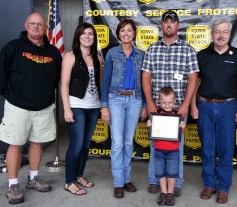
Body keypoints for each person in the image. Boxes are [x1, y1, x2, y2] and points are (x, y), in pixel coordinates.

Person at [0, 13, 62, 204]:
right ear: (26, 25)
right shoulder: (12, 47)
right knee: (16, 145)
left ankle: (33, 178)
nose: (36, 27)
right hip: (17, 107)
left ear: (45, 28)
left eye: (40, 24)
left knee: (37, 143)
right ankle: (12, 184)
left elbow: (56, 79)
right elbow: (1, 76)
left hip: (43, 107)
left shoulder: (53, 52)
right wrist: (13, 96)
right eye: (32, 23)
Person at [190, 18, 237, 204]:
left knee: (226, 149)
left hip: (228, 108)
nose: (221, 35)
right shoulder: (202, 55)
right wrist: (192, 106)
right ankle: (209, 184)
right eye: (217, 31)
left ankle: (223, 187)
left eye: (225, 32)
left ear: (230, 35)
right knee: (207, 148)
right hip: (204, 106)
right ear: (212, 33)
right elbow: (193, 83)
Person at [142, 10, 199, 197]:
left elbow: (193, 79)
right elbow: (146, 76)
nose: (169, 25)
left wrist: (185, 105)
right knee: (155, 145)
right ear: (161, 26)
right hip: (157, 109)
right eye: (165, 22)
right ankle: (154, 180)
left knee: (177, 147)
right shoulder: (152, 49)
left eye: (172, 22)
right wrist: (150, 102)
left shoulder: (188, 50)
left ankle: (176, 183)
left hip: (178, 108)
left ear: (178, 26)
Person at [100, 19, 147, 198]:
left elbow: (144, 81)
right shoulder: (112, 53)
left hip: (135, 99)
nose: (126, 33)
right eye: (122, 31)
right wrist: (104, 106)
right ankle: (118, 182)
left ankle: (127, 179)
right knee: (118, 142)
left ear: (134, 34)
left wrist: (143, 104)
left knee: (128, 142)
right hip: (115, 99)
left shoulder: (141, 54)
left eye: (129, 30)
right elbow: (105, 81)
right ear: (118, 34)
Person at [61, 22, 103, 196]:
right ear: (78, 36)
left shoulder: (98, 58)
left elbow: (100, 83)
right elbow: (63, 83)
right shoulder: (70, 56)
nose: (88, 36)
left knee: (86, 145)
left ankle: (79, 175)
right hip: (76, 105)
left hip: (94, 106)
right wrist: (67, 109)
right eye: (84, 33)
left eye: (91, 34)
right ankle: (69, 181)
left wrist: (103, 106)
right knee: (76, 144)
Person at [146, 87, 186, 206]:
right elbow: (152, 131)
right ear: (159, 102)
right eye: (164, 103)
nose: (167, 105)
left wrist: (182, 126)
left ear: (174, 102)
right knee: (160, 173)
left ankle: (170, 193)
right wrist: (149, 126)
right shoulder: (156, 116)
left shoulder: (178, 116)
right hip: (158, 150)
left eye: (170, 103)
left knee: (172, 172)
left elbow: (181, 132)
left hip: (173, 151)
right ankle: (163, 192)